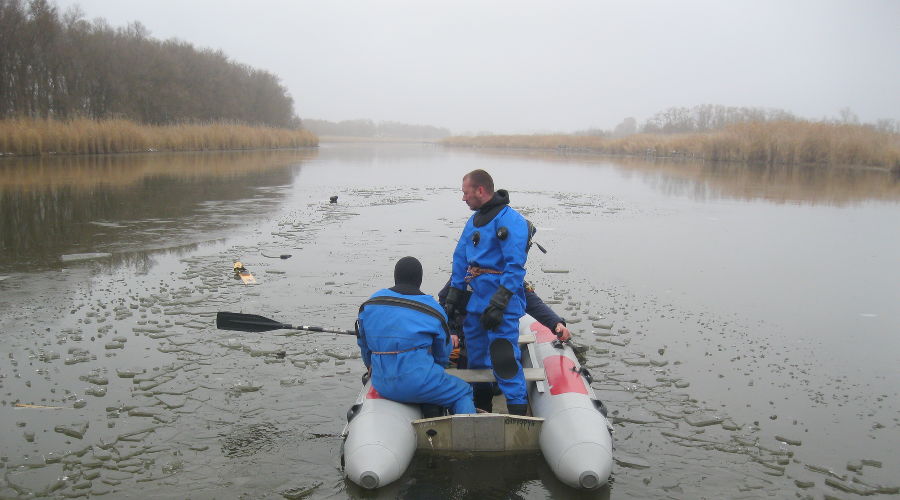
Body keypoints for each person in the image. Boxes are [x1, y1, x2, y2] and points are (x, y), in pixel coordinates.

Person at [444, 169, 532, 415]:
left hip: (501, 305)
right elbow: (461, 258)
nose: (463, 198)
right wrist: (454, 296)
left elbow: (515, 266)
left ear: (480, 190)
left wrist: (500, 302)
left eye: (466, 193)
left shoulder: (510, 220)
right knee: (477, 359)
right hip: (475, 305)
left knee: (503, 357)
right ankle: (482, 408)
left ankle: (517, 415)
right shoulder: (473, 221)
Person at [356, 256, 475, 415]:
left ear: (395, 277)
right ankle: (466, 436)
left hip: (381, 383)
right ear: (419, 280)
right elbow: (442, 354)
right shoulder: (433, 309)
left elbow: (364, 345)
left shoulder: (370, 303)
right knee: (464, 392)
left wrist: (371, 365)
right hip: (419, 382)